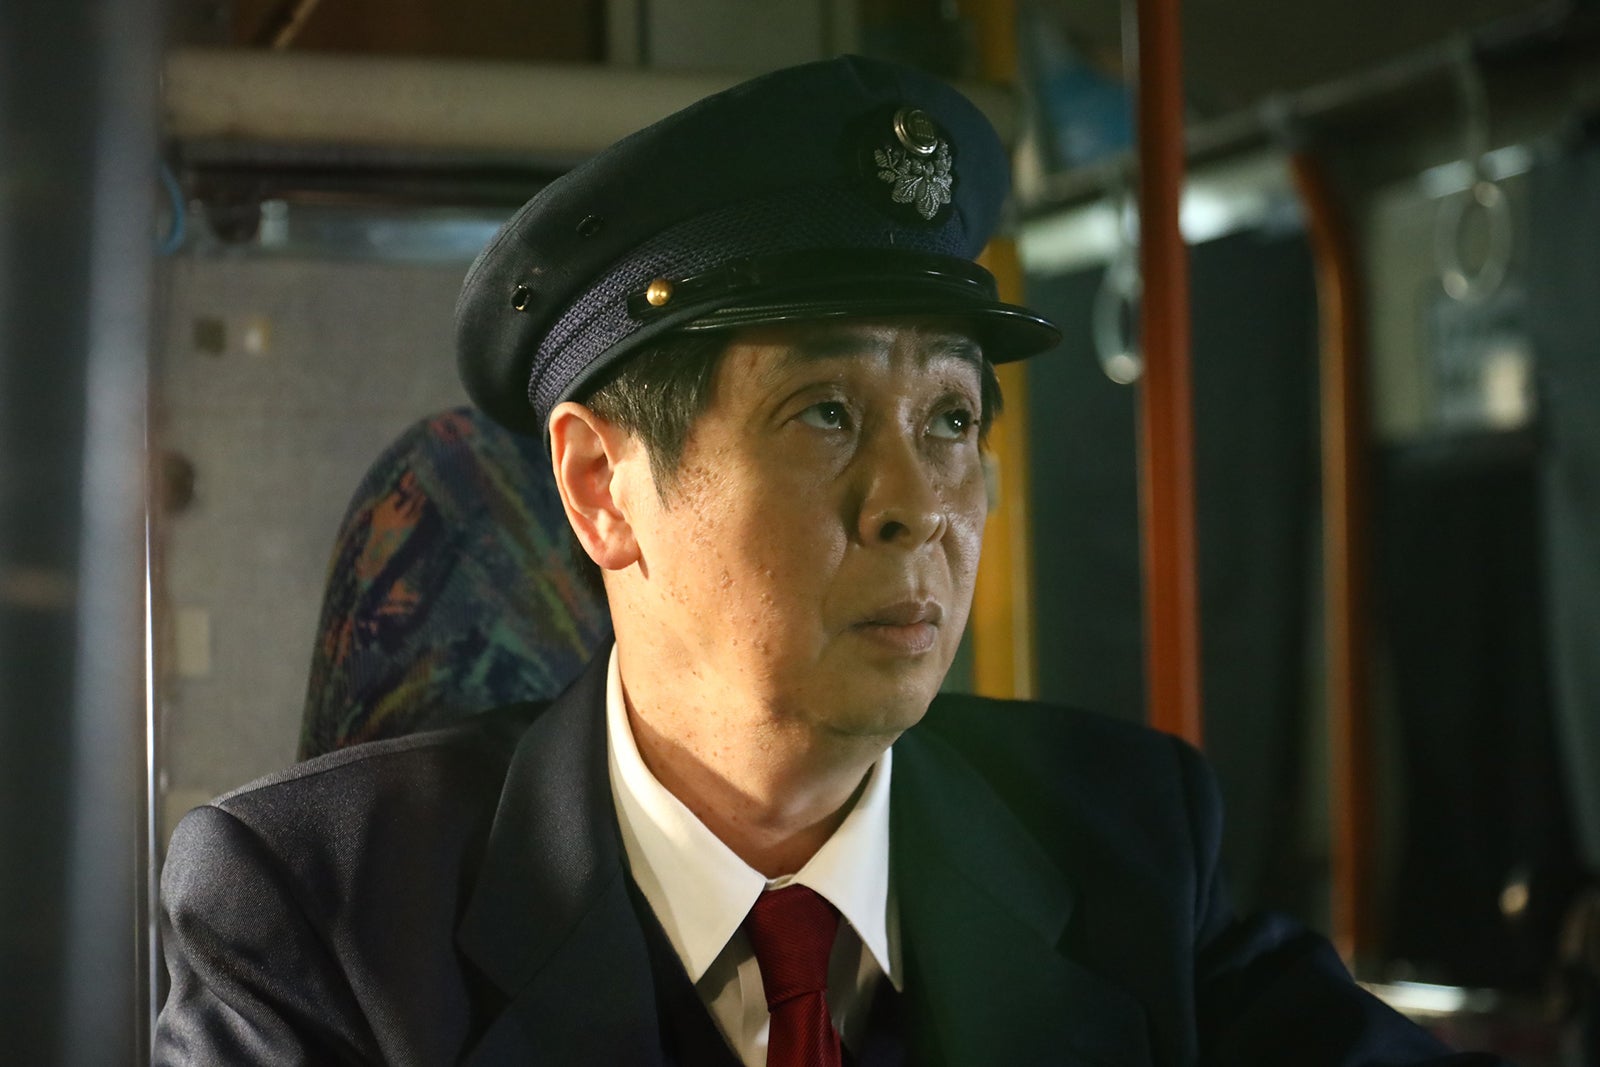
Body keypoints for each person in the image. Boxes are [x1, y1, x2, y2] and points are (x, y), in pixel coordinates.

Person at [154, 56, 1505, 1066]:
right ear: (602, 487)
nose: (917, 507)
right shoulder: (322, 914)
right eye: (824, 415)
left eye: (952, 420)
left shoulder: (1122, 844)